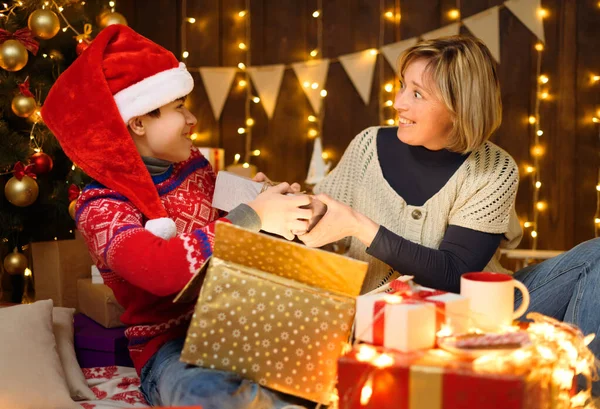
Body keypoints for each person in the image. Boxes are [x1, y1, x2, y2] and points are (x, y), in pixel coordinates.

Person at [297, 36, 600, 395]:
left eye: (417, 94)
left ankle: (583, 394)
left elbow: (454, 274)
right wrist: (287, 204)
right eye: (402, 87)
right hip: (382, 321)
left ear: (460, 107)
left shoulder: (495, 169)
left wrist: (361, 226)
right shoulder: (367, 145)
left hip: (477, 319)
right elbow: (322, 220)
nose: (397, 103)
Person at [42, 25, 311, 409]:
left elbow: (229, 228)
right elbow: (161, 271)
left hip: (241, 323)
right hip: (170, 349)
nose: (192, 119)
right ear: (137, 122)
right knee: (210, 395)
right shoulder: (101, 207)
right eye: (178, 107)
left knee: (328, 363)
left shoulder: (192, 165)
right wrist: (251, 216)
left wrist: (268, 203)